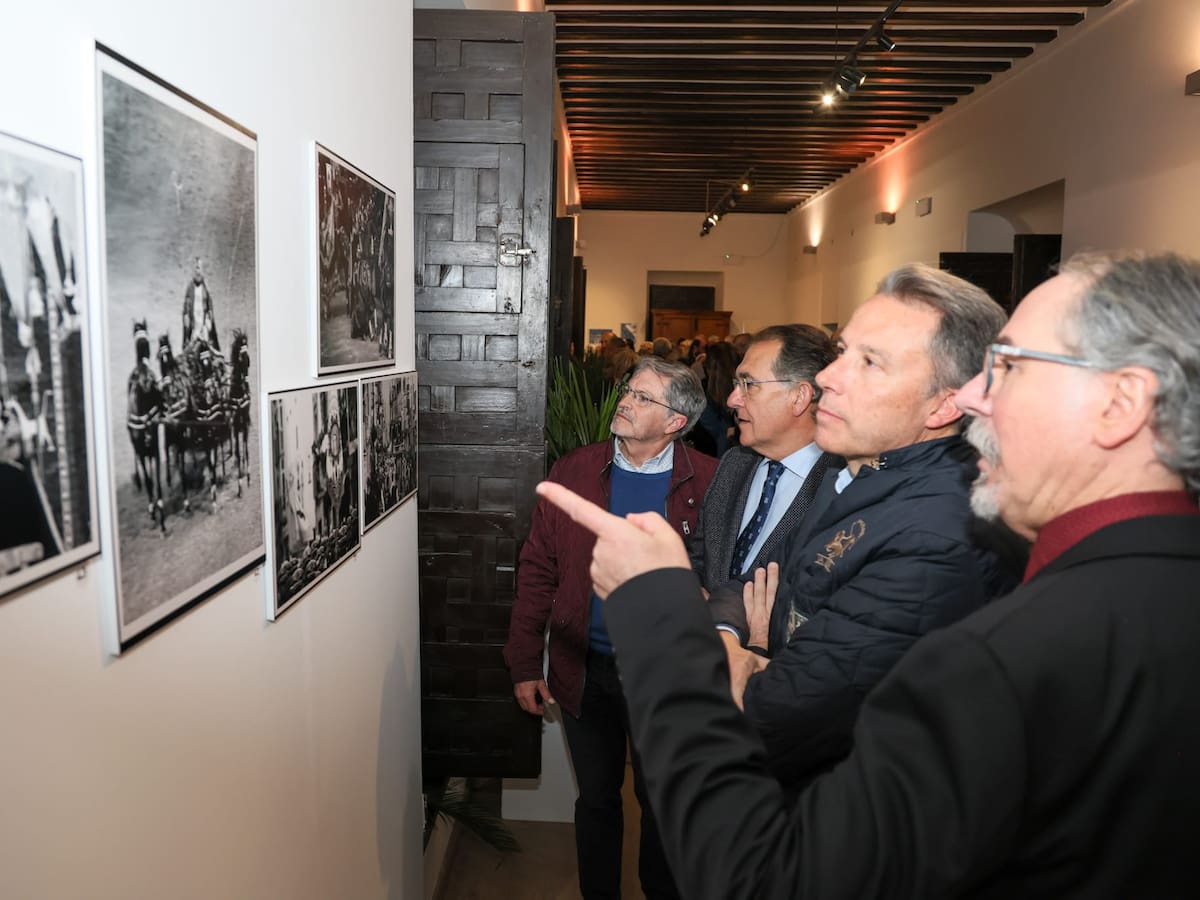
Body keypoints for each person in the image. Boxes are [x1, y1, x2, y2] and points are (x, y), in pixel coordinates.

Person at [536, 250, 1200, 899]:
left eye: (1010, 366)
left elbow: (763, 872)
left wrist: (658, 607)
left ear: (1121, 405)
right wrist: (755, 645)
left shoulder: (1001, 640)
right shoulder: (1142, 586)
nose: (975, 394)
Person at [707, 265, 1019, 790]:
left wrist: (755, 655)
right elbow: (761, 580)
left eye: (870, 362)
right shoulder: (856, 468)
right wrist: (729, 633)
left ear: (944, 404)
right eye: (844, 350)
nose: (828, 376)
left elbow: (782, 718)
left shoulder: (938, 533)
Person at [504, 356, 717, 900]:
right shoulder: (574, 470)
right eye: (629, 390)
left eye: (644, 398)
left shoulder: (712, 483)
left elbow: (727, 580)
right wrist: (525, 661)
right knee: (596, 799)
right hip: (585, 669)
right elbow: (537, 569)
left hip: (665, 678)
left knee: (659, 801)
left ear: (676, 422)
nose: (625, 401)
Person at [688, 325, 839, 591]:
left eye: (749, 385)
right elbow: (700, 557)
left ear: (799, 396)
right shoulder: (734, 463)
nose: (733, 399)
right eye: (737, 384)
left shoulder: (841, 487)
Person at [182, 256, 219, 350]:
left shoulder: (206, 288)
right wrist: (186, 319)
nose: (197, 272)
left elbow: (209, 308)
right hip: (194, 325)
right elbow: (186, 309)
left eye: (199, 268)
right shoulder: (189, 289)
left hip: (204, 325)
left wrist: (208, 321)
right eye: (195, 269)